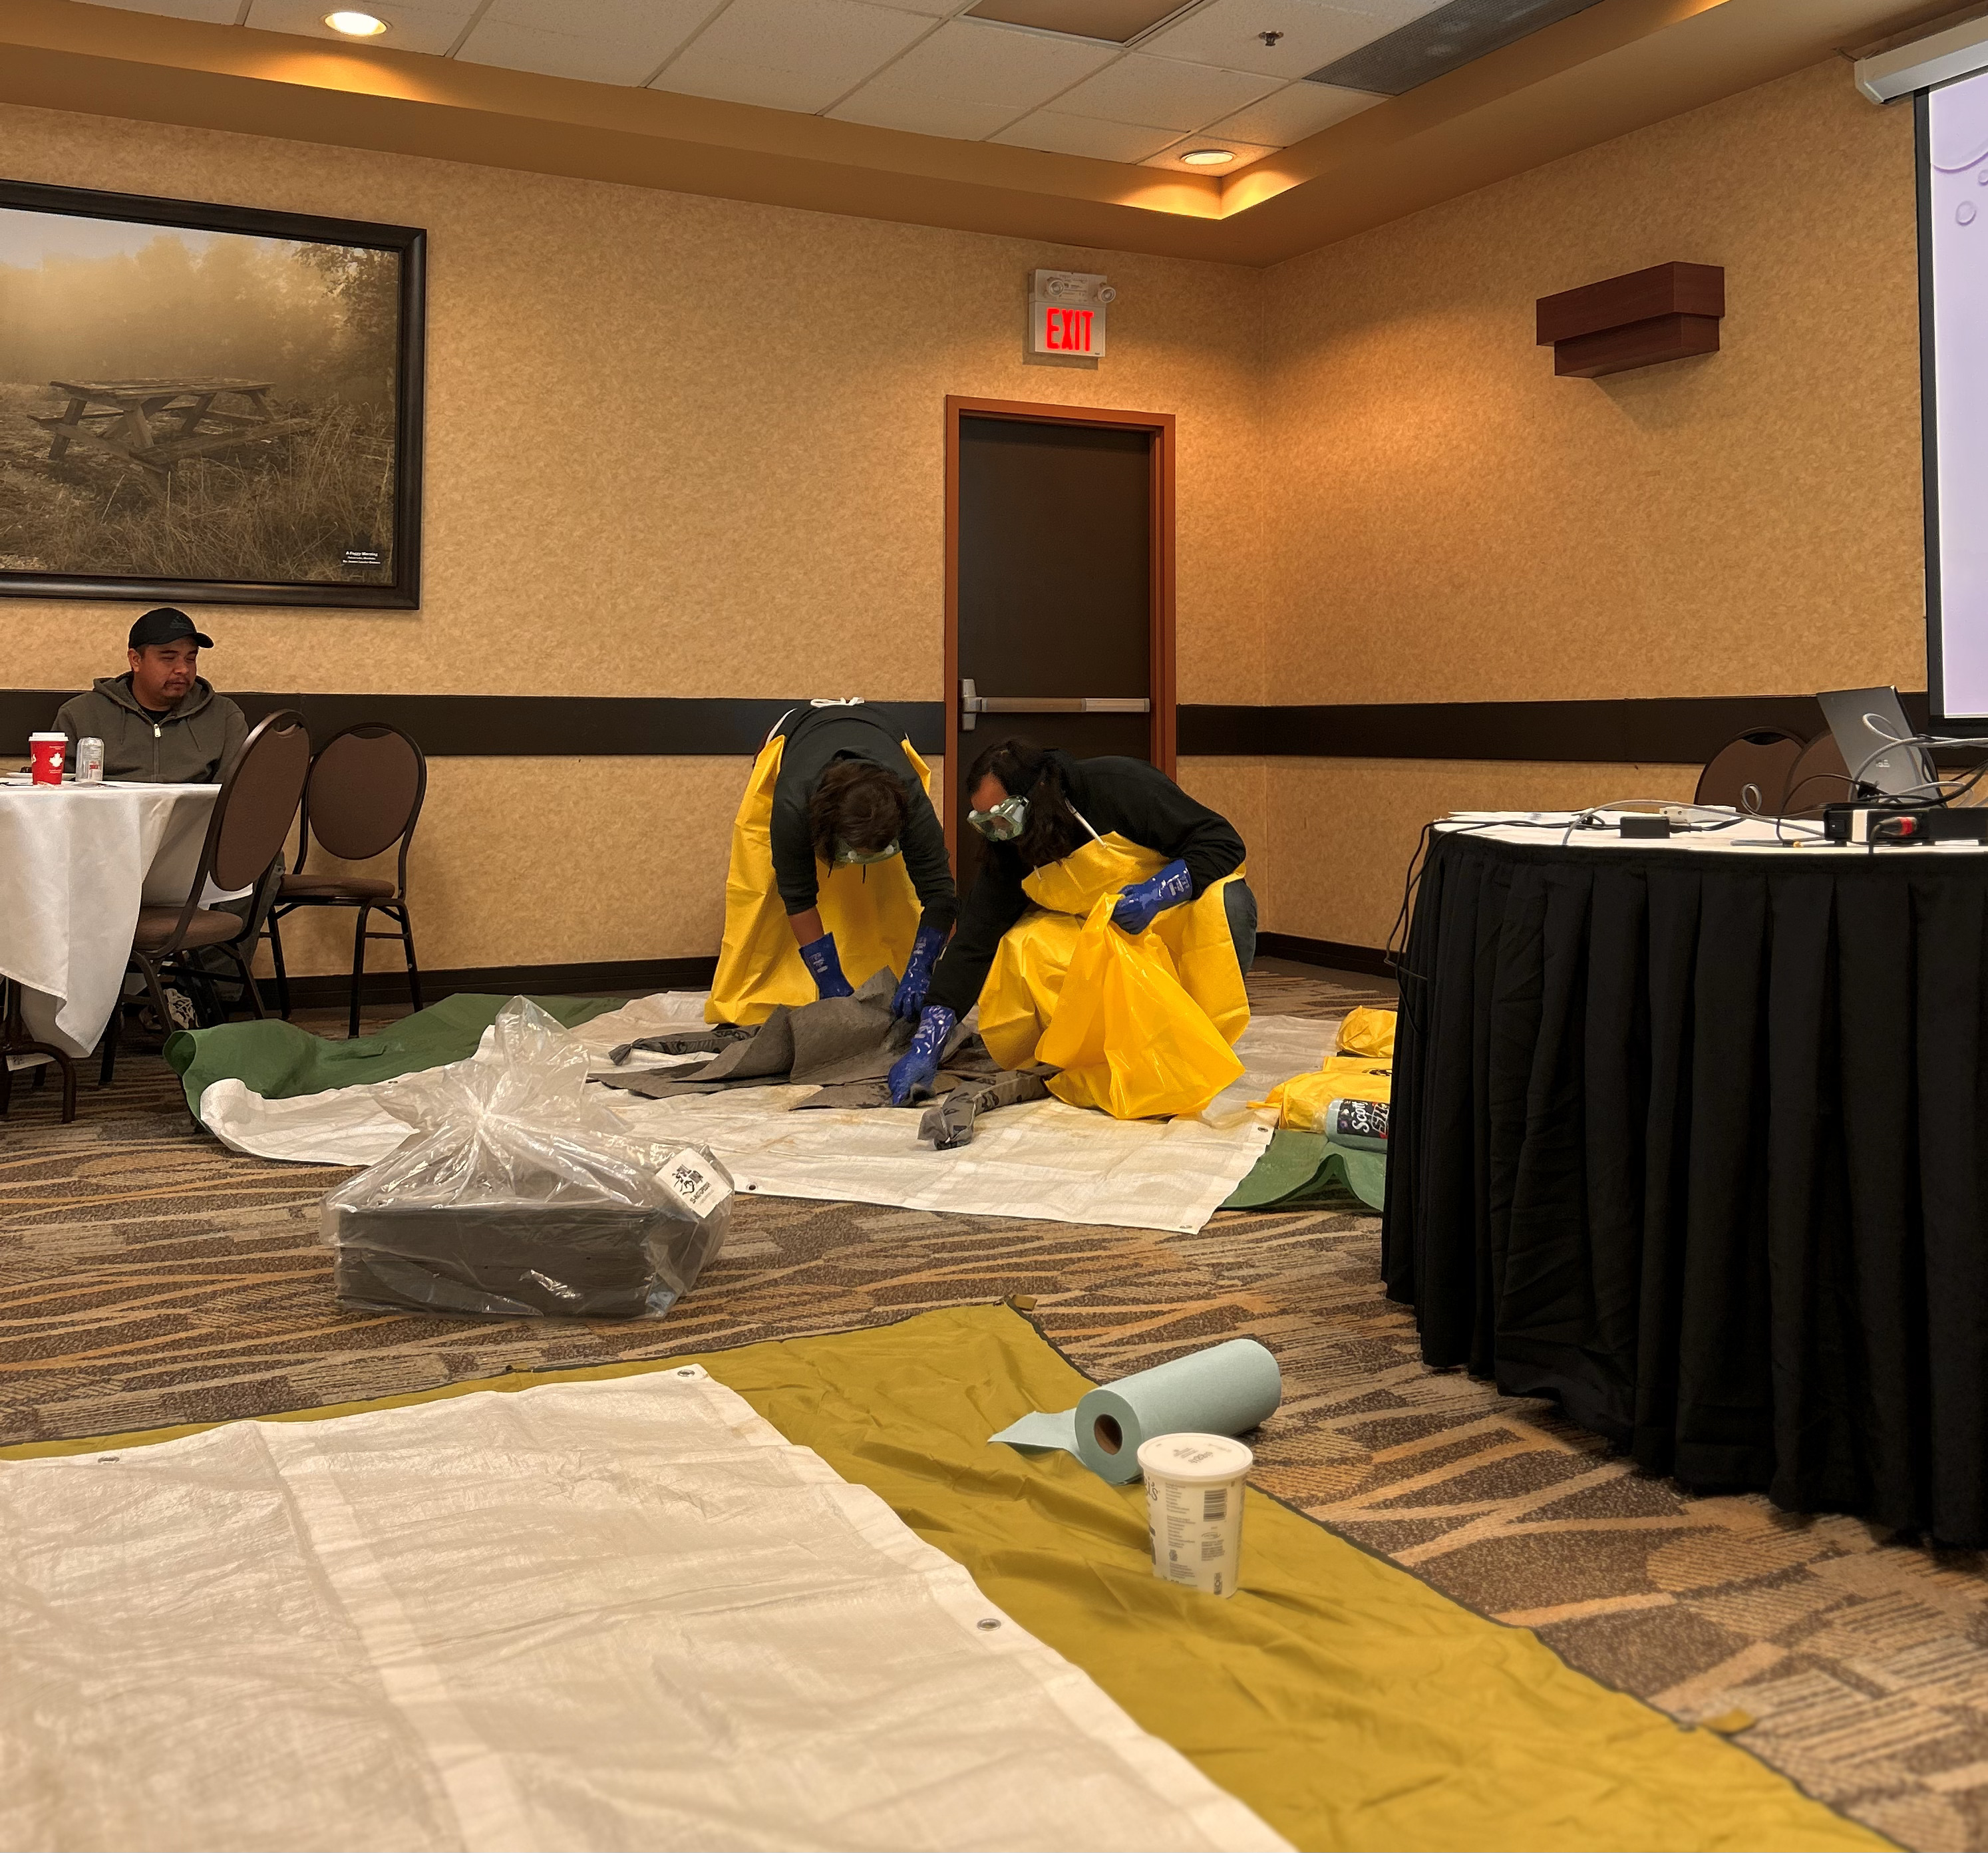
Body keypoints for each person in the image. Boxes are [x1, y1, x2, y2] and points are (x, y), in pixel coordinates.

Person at [888, 737, 1256, 1106]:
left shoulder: (1121, 785)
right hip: (1096, 939)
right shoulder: (1010, 842)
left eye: (1002, 816)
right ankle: (1089, 1053)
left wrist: (1158, 892)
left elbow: (1222, 842)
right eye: (984, 822)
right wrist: (928, 1041)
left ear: (1038, 795)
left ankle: (1200, 1042)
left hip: (1167, 920)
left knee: (1228, 903)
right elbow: (975, 939)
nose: (996, 830)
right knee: (1026, 944)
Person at [707, 701, 957, 1025]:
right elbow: (798, 897)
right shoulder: (793, 805)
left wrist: (922, 967)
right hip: (795, 736)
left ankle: (896, 969)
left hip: (880, 730)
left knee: (894, 891)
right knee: (765, 887)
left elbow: (940, 894)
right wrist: (828, 979)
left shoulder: (910, 801)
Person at [56, 607, 246, 783]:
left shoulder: (224, 716)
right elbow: (59, 798)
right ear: (136, 660)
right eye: (168, 658)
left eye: (191, 658)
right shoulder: (81, 715)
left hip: (197, 820)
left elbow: (235, 800)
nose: (183, 669)